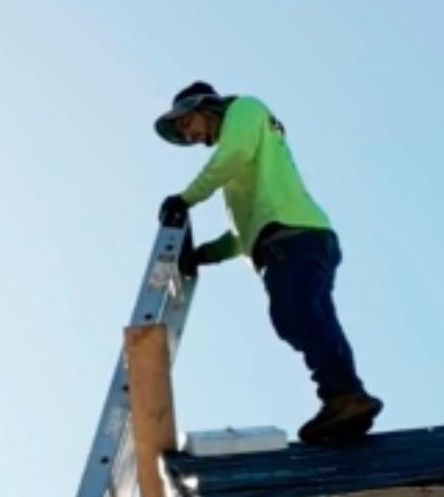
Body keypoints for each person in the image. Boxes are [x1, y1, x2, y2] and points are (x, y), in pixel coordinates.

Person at [154, 81, 384, 445]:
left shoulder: (244, 110)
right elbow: (242, 235)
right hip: (299, 237)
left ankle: (344, 396)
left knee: (295, 314)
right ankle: (346, 398)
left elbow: (230, 156)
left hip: (291, 238)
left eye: (187, 124)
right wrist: (202, 256)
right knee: (313, 316)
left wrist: (185, 199)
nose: (191, 136)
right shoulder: (246, 161)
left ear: (206, 107)